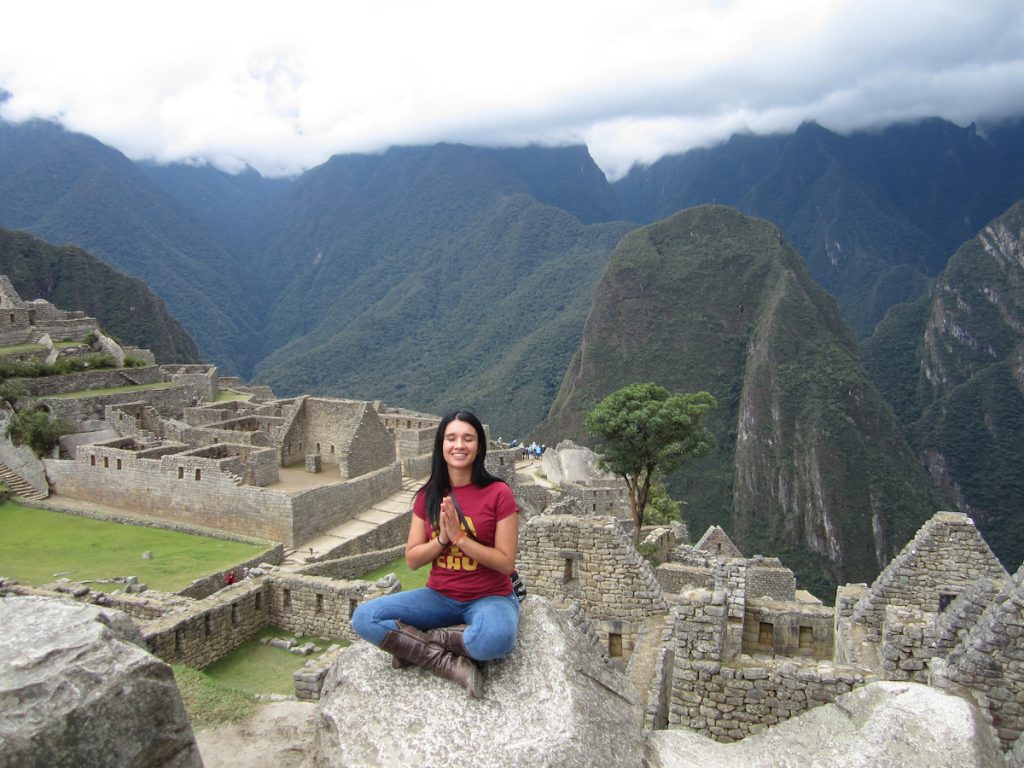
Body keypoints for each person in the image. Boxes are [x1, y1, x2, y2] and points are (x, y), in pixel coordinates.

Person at [351, 410, 520, 698]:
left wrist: (460, 538)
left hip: (490, 596)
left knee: (496, 639)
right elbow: (413, 559)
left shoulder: (498, 493)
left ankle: (420, 644)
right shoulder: (427, 495)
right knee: (364, 618)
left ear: (479, 446)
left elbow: (505, 563)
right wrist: (443, 538)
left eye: (468, 438)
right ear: (441, 445)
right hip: (439, 597)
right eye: (451, 438)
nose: (459, 446)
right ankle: (445, 661)